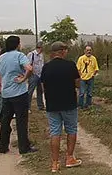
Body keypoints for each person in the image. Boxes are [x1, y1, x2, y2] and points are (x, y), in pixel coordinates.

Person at [41, 41, 83, 172]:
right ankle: (70, 158)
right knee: (71, 130)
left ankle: (55, 163)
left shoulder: (46, 67)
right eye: (66, 50)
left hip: (52, 104)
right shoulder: (70, 65)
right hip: (69, 103)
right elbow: (78, 84)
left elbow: (43, 86)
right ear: (62, 51)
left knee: (55, 132)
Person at [0, 35, 38, 154]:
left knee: (5, 120)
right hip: (19, 92)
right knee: (21, 120)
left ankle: (3, 146)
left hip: (6, 93)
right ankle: (24, 147)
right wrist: (24, 78)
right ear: (17, 45)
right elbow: (29, 68)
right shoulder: (20, 55)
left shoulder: (1, 57)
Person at [26, 41, 45, 112]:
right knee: (30, 91)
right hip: (33, 75)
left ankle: (40, 106)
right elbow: (28, 64)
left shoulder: (41, 55)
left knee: (40, 91)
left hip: (40, 75)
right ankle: (27, 107)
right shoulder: (31, 54)